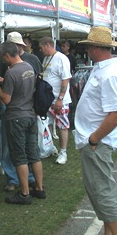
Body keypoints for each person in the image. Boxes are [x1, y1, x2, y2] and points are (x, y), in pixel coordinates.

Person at [73, 26, 117, 235]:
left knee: (103, 191)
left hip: (98, 142)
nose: (86, 49)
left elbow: (116, 114)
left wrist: (94, 139)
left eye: (88, 46)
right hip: (94, 140)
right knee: (97, 190)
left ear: (96, 48)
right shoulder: (105, 70)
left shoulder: (112, 74)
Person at [0, 40, 45, 205]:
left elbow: (6, 99)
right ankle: (39, 189)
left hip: (16, 117)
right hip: (30, 115)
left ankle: (24, 193)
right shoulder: (29, 67)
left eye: (2, 57)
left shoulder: (11, 73)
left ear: (7, 55)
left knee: (19, 156)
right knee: (34, 154)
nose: (3, 60)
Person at [38, 36, 72, 165]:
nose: (40, 50)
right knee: (48, 124)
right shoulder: (46, 58)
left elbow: (65, 79)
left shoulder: (61, 58)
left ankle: (63, 152)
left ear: (47, 45)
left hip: (59, 100)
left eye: (41, 47)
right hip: (47, 99)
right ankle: (50, 147)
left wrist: (60, 99)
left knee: (62, 125)